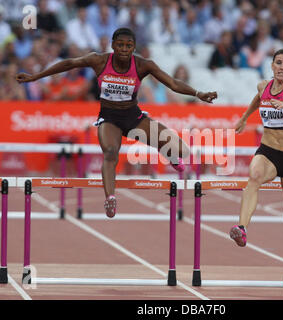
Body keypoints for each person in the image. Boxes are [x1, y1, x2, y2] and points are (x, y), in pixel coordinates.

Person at [16, 27, 217, 218]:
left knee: (183, 151)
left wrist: (198, 94)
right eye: (120, 45)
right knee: (110, 153)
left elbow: (173, 83)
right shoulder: (100, 60)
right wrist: (36, 77)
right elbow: (69, 63)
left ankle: (170, 155)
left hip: (133, 117)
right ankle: (110, 198)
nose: (123, 49)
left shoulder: (142, 65)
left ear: (134, 47)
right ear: (113, 45)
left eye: (128, 46)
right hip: (109, 118)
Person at [230, 48, 283, 291]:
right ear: (272, 65)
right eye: (278, 62)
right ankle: (242, 228)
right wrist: (246, 116)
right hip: (268, 151)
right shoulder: (263, 86)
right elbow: (258, 99)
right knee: (254, 177)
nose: (282, 67)